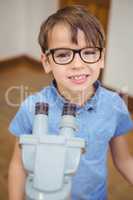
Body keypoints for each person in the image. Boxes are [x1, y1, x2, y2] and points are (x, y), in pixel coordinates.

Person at [8, 5, 133, 200]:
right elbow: (18, 164)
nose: (78, 64)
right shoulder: (32, 107)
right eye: (63, 54)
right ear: (47, 62)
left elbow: (124, 160)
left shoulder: (115, 106)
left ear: (101, 57)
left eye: (90, 52)